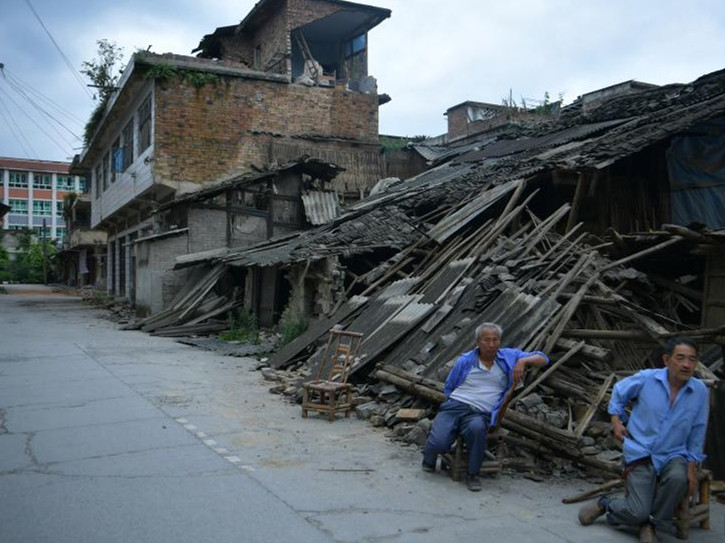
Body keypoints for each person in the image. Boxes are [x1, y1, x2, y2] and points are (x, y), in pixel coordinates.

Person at [578, 338, 709, 543]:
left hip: (673, 453)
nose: (686, 364)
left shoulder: (699, 391)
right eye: (680, 358)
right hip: (641, 451)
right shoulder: (647, 379)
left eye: (692, 360)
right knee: (636, 510)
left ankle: (651, 524)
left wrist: (691, 469)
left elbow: (698, 430)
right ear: (667, 359)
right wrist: (616, 420)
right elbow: (619, 392)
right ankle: (607, 504)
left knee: (678, 478)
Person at [422, 322, 548, 491]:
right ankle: (429, 457)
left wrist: (523, 361)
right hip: (456, 406)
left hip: (480, 413)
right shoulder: (466, 360)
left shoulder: (509, 357)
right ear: (477, 342)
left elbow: (543, 359)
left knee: (477, 429)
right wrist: (453, 403)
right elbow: (449, 386)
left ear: (500, 341)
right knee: (439, 444)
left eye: (495, 340)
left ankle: (473, 474)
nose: (491, 344)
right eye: (486, 340)